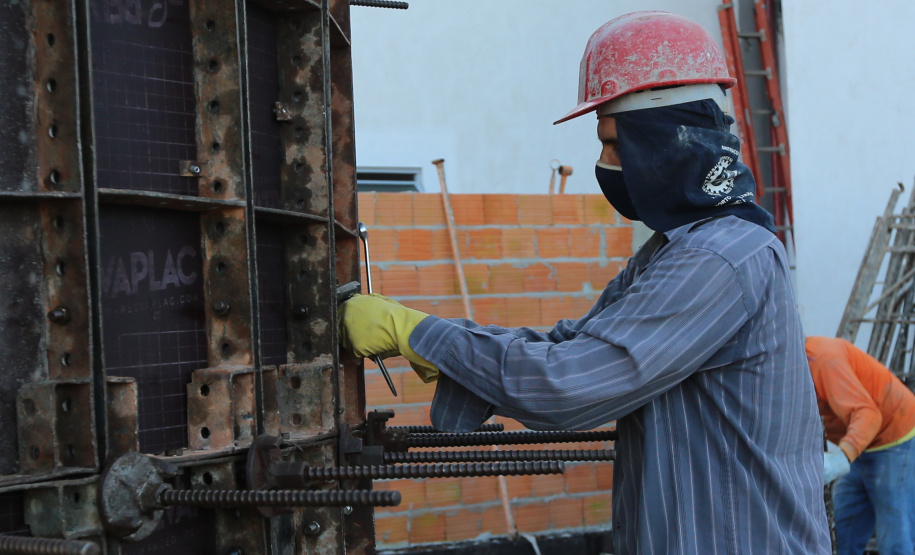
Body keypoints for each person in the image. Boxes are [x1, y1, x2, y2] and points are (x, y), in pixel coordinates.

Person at [341, 11, 830, 554]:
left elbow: (569, 383)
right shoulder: (673, 253)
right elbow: (570, 345)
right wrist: (435, 340)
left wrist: (418, 333)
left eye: (615, 145)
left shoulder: (718, 259)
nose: (603, 164)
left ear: (667, 142)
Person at [806, 336, 915, 555]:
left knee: (895, 541)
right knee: (841, 535)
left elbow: (868, 415)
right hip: (860, 445)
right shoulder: (789, 369)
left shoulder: (823, 361)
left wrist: (840, 458)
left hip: (895, 437)